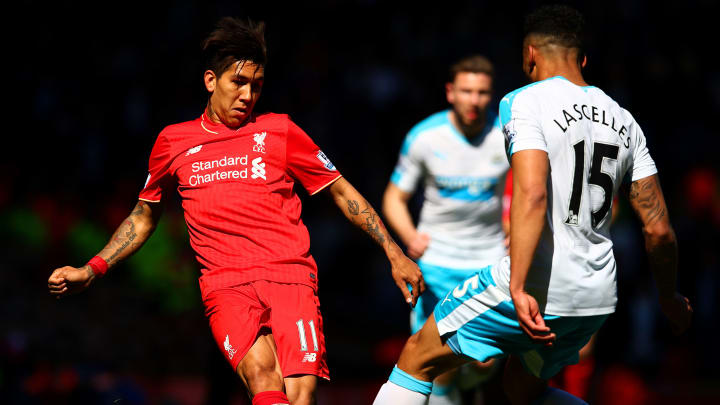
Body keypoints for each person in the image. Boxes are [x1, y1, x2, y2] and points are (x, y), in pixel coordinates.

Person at [47, 17, 424, 405]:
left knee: (300, 393)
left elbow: (342, 192)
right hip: (225, 284)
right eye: (238, 83)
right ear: (211, 80)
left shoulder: (280, 130)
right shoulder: (173, 142)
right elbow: (143, 217)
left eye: (256, 86)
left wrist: (393, 252)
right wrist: (91, 269)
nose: (248, 95)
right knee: (261, 377)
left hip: (289, 275)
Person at [373, 4, 693, 405]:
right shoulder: (624, 120)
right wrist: (668, 296)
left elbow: (532, 193)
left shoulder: (524, 102)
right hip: (595, 296)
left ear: (529, 55)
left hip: (540, 285)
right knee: (522, 390)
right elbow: (659, 228)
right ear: (583, 59)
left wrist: (519, 284)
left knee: (416, 359)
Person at [382, 55, 508, 404]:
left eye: (482, 92)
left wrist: (517, 229)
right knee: (439, 369)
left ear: (491, 95)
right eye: (467, 91)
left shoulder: (506, 138)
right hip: (436, 267)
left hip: (489, 264)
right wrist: (409, 236)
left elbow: (529, 192)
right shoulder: (424, 137)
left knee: (485, 363)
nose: (474, 100)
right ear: (451, 92)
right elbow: (394, 197)